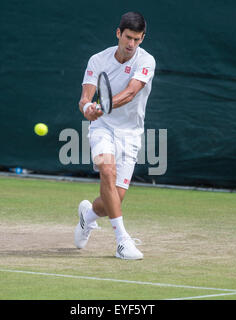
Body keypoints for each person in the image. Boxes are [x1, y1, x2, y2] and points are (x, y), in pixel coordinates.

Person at [75, 12, 156, 260]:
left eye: (137, 39)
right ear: (118, 33)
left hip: (131, 133)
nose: (131, 44)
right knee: (107, 172)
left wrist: (104, 106)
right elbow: (85, 98)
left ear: (142, 38)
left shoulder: (147, 61)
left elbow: (131, 93)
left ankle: (87, 216)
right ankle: (122, 241)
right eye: (128, 37)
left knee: (113, 199)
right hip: (103, 127)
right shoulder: (97, 60)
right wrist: (88, 107)